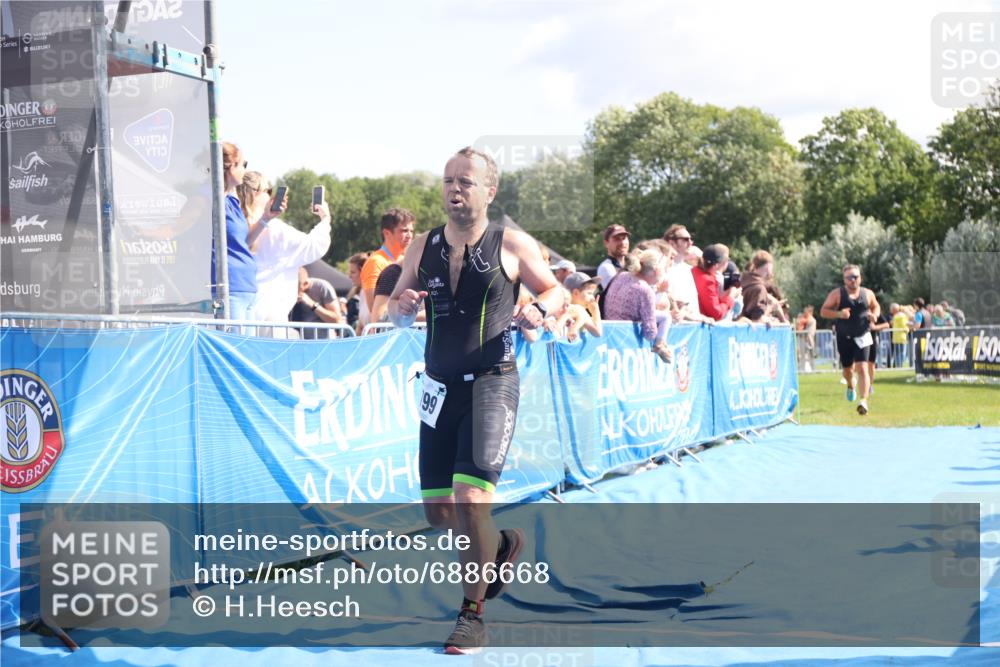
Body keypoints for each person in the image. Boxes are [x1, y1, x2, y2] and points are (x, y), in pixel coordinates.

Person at [388, 147, 564, 654]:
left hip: (492, 382)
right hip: (439, 388)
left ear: (490, 191)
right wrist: (401, 306)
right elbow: (397, 310)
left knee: (470, 504)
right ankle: (503, 545)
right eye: (447, 180)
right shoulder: (422, 246)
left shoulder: (510, 242)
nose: (453, 189)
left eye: (464, 181)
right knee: (439, 514)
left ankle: (472, 615)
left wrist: (540, 311)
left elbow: (557, 292)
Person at [238, 171, 332, 336]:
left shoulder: (234, 225)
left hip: (241, 314)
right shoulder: (276, 230)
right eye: (268, 191)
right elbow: (315, 246)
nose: (271, 196)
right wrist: (325, 218)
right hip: (271, 319)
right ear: (255, 193)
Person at [214, 142, 285, 323]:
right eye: (243, 165)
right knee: (232, 348)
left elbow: (243, 241)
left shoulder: (231, 201)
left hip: (247, 288)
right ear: (230, 167)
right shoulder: (209, 200)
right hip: (228, 288)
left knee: (245, 347)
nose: (245, 171)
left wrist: (266, 217)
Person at [820, 264, 880, 416]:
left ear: (860, 278)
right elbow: (823, 311)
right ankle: (850, 385)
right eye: (850, 277)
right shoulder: (837, 294)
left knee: (863, 368)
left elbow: (876, 306)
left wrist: (875, 316)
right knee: (848, 370)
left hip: (863, 335)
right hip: (844, 337)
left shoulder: (868, 293)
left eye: (856, 277)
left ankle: (863, 402)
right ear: (844, 279)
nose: (853, 280)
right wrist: (839, 314)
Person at [602, 247, 673, 363]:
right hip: (625, 340)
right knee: (666, 317)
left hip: (609, 332)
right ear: (655, 270)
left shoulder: (622, 275)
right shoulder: (645, 290)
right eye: (663, 269)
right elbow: (649, 333)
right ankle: (660, 344)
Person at [361, 208, 416, 312]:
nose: (409, 235)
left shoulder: (404, 260)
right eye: (404, 230)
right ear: (386, 233)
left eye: (411, 231)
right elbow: (374, 308)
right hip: (384, 326)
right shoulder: (375, 262)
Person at [288, 267, 342, 339]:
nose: (293, 292)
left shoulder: (322, 287)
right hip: (297, 343)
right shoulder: (287, 291)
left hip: (322, 343)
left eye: (296, 288)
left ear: (306, 284)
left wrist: (312, 304)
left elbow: (336, 320)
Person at [692, 244, 738, 321]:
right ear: (716, 265)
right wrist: (731, 296)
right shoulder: (708, 281)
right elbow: (717, 313)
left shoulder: (693, 271)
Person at [739, 250, 784, 324]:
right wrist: (771, 307)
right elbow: (756, 320)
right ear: (768, 268)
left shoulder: (743, 281)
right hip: (749, 332)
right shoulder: (759, 288)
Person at [557, 272, 603, 341]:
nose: (593, 298)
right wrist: (595, 311)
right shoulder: (580, 310)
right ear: (575, 293)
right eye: (589, 293)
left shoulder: (558, 308)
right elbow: (598, 333)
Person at [596, 224, 630, 288]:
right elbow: (620, 293)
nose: (622, 243)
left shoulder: (633, 264)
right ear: (606, 243)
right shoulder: (606, 268)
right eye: (617, 239)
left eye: (624, 238)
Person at [344, 252, 370, 334]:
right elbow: (360, 325)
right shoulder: (362, 292)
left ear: (363, 272)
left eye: (353, 272)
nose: (349, 276)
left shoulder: (372, 292)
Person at [795, 305, 817, 372]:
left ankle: (812, 369)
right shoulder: (805, 318)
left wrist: (799, 320)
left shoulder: (811, 319)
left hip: (808, 339)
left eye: (806, 311)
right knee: (802, 355)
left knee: (810, 355)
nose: (804, 313)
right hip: (803, 339)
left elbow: (804, 321)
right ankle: (802, 369)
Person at [889, 303, 909, 368]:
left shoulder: (895, 316)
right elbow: (904, 326)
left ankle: (897, 365)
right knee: (901, 353)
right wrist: (908, 329)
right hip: (901, 337)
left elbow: (892, 324)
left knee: (897, 353)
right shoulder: (902, 316)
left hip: (895, 337)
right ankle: (899, 366)